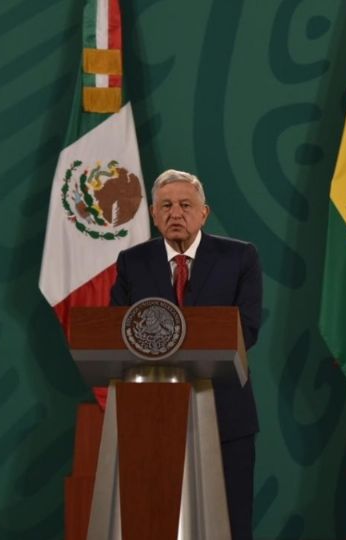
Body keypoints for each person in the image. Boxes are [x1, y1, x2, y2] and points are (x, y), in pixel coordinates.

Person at [110, 169, 262, 540]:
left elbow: (248, 328)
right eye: (166, 205)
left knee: (231, 523)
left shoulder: (239, 257)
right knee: (151, 522)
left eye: (185, 205)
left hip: (226, 412)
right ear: (152, 213)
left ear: (204, 213)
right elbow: (117, 331)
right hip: (152, 413)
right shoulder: (133, 262)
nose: (175, 213)